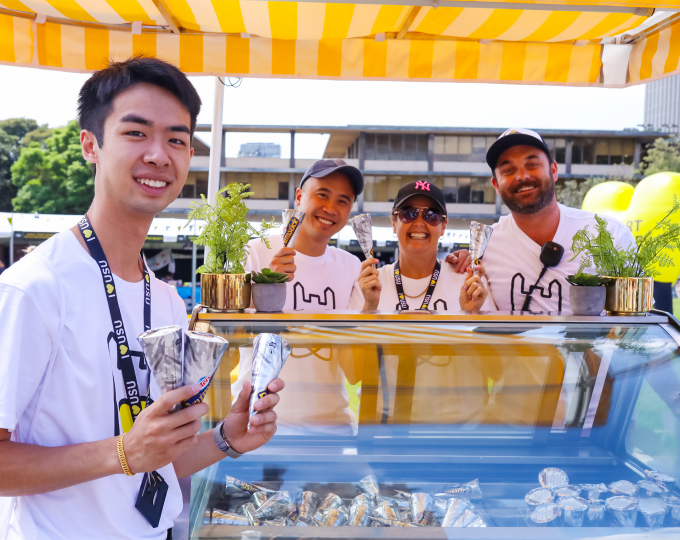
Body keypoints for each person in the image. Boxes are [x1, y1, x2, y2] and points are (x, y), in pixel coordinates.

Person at [0, 57, 284, 540]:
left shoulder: (167, 301)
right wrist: (122, 452)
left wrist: (226, 439)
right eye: (136, 133)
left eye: (177, 139)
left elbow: (155, 459)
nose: (159, 155)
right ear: (90, 144)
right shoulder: (34, 289)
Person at [448, 128, 636, 313]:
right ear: (496, 185)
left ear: (553, 170)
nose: (522, 176)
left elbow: (635, 322)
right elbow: (475, 315)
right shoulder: (484, 248)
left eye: (532, 165)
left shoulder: (612, 235)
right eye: (508, 170)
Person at [349, 180, 495, 312]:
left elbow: (486, 340)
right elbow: (352, 340)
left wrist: (469, 313)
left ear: (443, 227)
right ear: (394, 224)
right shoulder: (368, 285)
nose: (419, 222)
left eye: (431, 214)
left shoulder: (467, 284)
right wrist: (369, 307)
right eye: (408, 213)